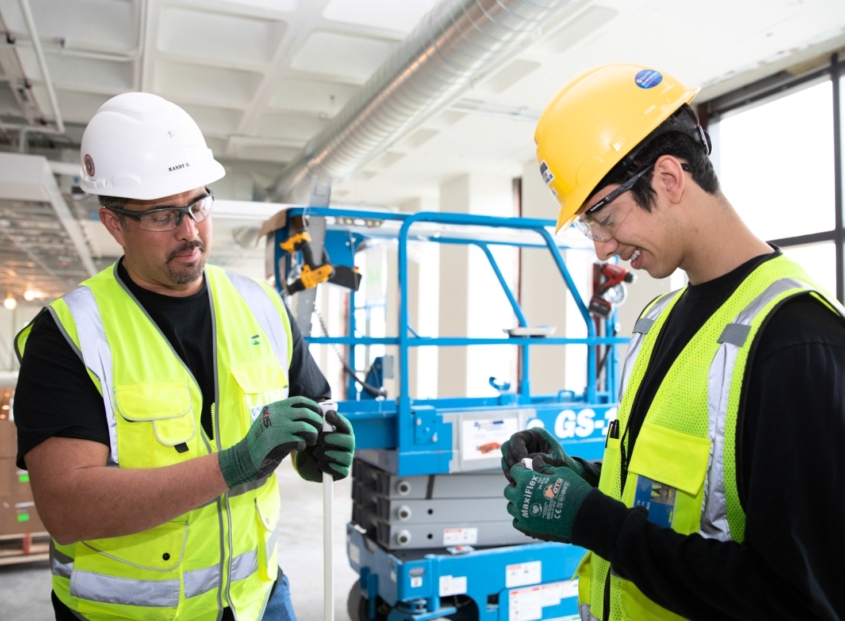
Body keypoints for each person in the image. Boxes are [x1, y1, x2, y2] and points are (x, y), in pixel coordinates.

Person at [500, 64, 845, 620]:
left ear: (668, 178)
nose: (603, 250)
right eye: (591, 229)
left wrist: (593, 521)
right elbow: (685, 499)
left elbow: (798, 600)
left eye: (605, 218)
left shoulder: (794, 342)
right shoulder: (661, 317)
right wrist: (586, 479)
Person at [13, 92, 355, 621]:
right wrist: (233, 466)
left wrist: (316, 448)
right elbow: (67, 506)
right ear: (113, 222)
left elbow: (312, 405)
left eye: (197, 204)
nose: (190, 230)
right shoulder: (69, 335)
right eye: (162, 215)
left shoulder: (262, 306)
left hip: (257, 601)